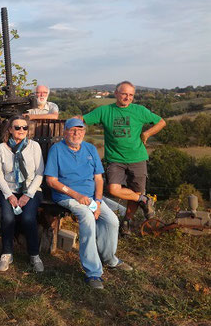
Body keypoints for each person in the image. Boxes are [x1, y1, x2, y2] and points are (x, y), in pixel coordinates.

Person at [45, 118, 133, 289]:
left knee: (112, 221)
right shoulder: (57, 150)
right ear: (65, 132)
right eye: (72, 130)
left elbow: (99, 179)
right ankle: (93, 272)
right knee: (87, 217)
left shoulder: (90, 148)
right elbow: (51, 181)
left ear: (84, 133)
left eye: (80, 130)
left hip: (92, 197)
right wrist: (76, 195)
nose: (76, 133)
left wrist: (98, 202)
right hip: (67, 196)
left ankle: (109, 258)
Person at [82, 81, 166, 235]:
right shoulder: (105, 111)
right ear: (116, 93)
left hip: (138, 158)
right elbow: (82, 119)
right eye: (124, 94)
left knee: (135, 193)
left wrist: (147, 133)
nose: (127, 97)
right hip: (115, 158)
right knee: (114, 189)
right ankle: (145, 200)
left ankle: (127, 221)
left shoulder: (139, 111)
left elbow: (161, 122)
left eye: (131, 95)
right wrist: (67, 123)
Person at [0, 115, 44, 272]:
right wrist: (9, 195)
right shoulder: (2, 148)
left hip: (31, 190)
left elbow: (40, 173)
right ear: (10, 129)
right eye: (17, 127)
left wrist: (27, 195)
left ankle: (34, 255)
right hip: (9, 190)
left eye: (24, 127)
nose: (21, 130)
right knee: (7, 218)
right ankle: (7, 253)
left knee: (28, 218)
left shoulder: (34, 146)